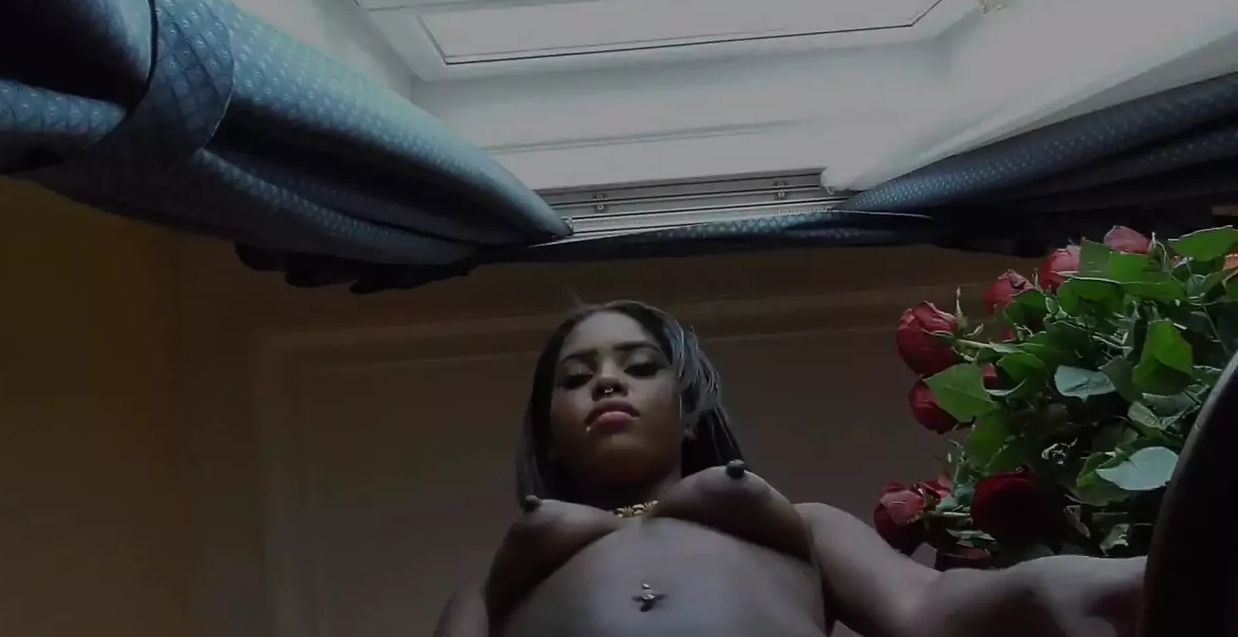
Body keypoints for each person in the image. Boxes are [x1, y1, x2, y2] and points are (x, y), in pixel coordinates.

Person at [435, 301, 1144, 637]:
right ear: (549, 437)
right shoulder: (490, 593)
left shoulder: (803, 528)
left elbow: (929, 608)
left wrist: (1061, 588)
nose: (608, 382)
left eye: (641, 366)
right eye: (576, 378)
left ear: (688, 413)